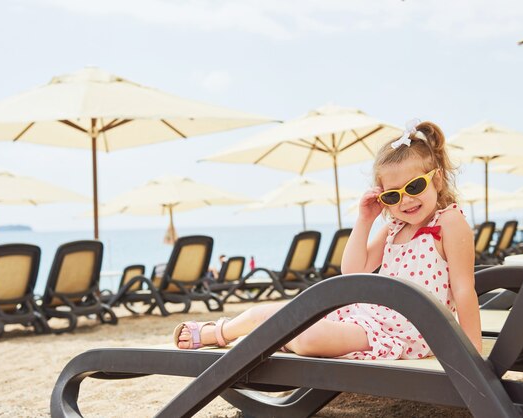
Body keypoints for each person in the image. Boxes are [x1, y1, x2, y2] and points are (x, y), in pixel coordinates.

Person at [174, 119, 482, 359]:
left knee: (304, 335)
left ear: (436, 179)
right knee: (281, 313)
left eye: (414, 187)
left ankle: (259, 337)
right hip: (368, 319)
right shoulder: (394, 228)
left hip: (406, 332)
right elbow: (353, 272)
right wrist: (364, 220)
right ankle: (224, 331)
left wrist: (472, 357)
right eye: (392, 195)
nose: (405, 201)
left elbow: (465, 289)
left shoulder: (449, 223)